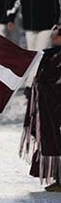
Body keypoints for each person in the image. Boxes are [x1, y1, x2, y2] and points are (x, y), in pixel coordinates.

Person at [19, 24, 61, 192]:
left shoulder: (54, 56)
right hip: (49, 107)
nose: (52, 38)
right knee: (53, 140)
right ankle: (58, 179)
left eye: (56, 35)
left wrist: (41, 85)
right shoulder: (49, 55)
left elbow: (51, 81)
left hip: (55, 106)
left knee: (56, 139)